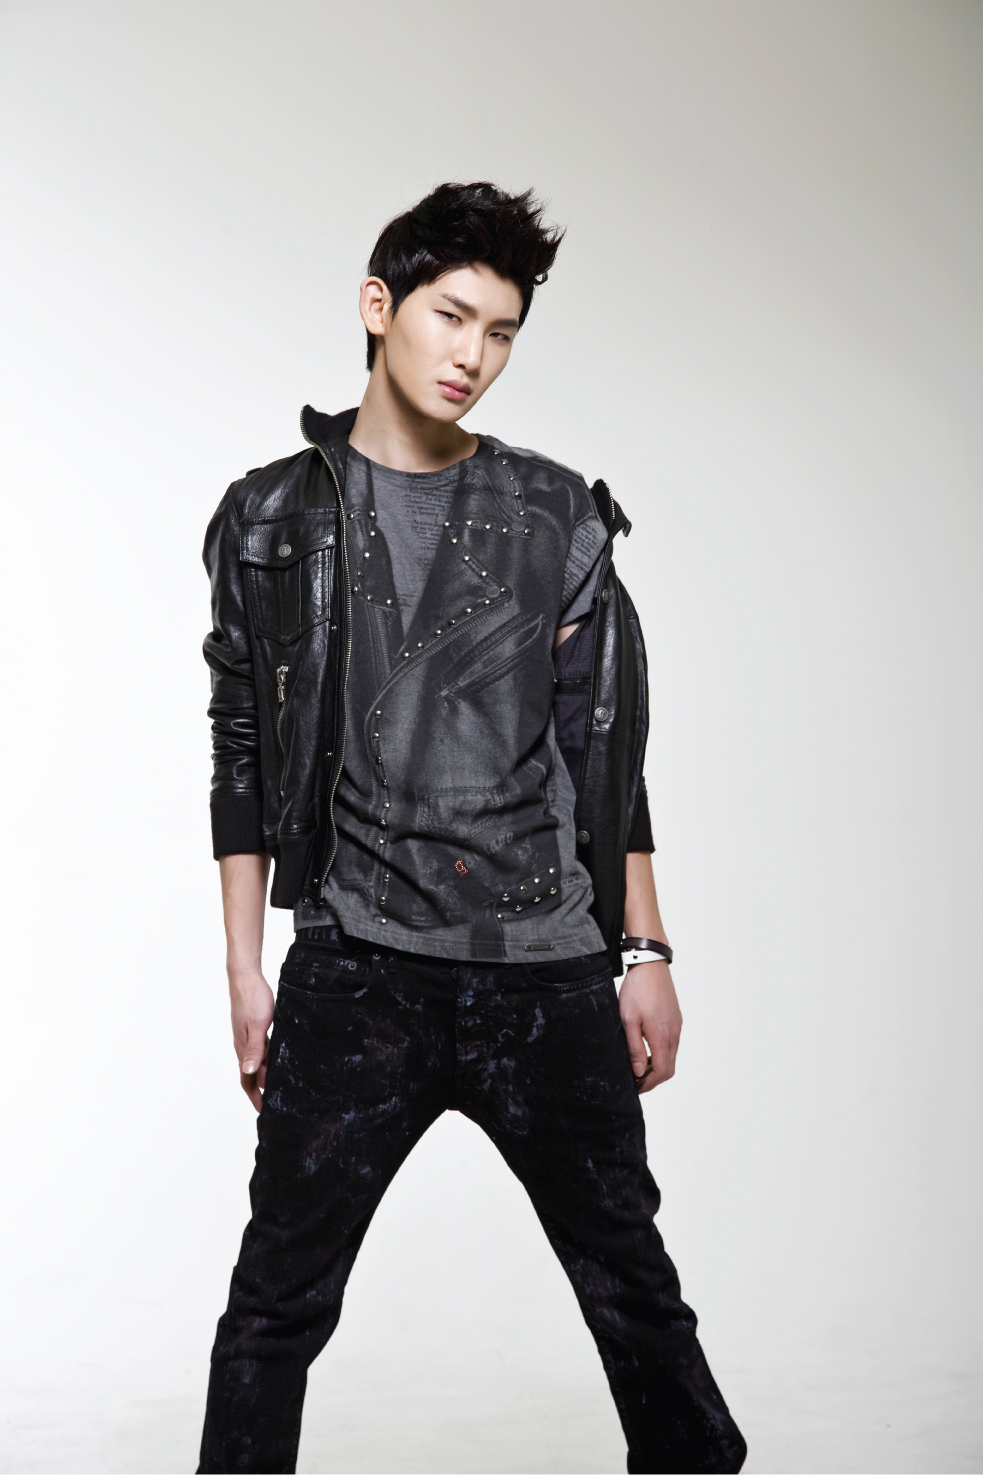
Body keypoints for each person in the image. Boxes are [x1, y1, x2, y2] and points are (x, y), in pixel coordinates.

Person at [198, 181, 746, 1475]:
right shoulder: (270, 517)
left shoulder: (557, 514)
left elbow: (607, 753)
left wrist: (644, 950)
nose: (473, 357)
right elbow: (241, 747)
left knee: (636, 1296)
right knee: (273, 1311)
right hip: (356, 972)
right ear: (378, 306)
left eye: (501, 332)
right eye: (451, 316)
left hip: (544, 971)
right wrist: (245, 966)